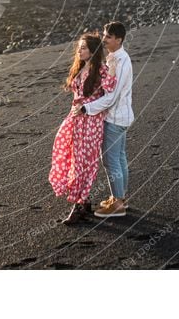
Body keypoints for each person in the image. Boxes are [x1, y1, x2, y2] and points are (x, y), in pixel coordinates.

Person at [49, 32, 117, 224]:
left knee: (84, 163)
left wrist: (112, 69)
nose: (79, 50)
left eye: (84, 47)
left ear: (93, 51)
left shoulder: (102, 69)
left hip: (91, 121)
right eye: (79, 47)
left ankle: (79, 205)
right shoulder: (80, 68)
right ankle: (84, 201)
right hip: (75, 119)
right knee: (69, 156)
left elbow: (110, 91)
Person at [73, 21, 134, 218]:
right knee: (120, 157)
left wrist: (86, 108)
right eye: (105, 35)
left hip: (116, 117)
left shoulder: (121, 61)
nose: (104, 40)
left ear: (119, 39)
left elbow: (112, 97)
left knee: (110, 161)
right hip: (120, 116)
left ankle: (117, 204)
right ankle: (121, 199)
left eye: (108, 37)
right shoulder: (114, 59)